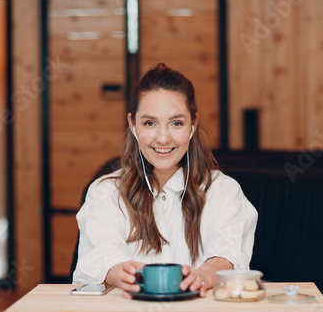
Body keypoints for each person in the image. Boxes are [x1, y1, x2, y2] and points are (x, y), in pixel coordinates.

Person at [72, 63, 257, 298]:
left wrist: (204, 275)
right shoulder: (105, 192)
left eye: (176, 123)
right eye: (149, 123)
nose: (162, 138)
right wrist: (121, 273)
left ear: (193, 124)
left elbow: (228, 255)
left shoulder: (223, 190)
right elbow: (102, 253)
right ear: (133, 125)